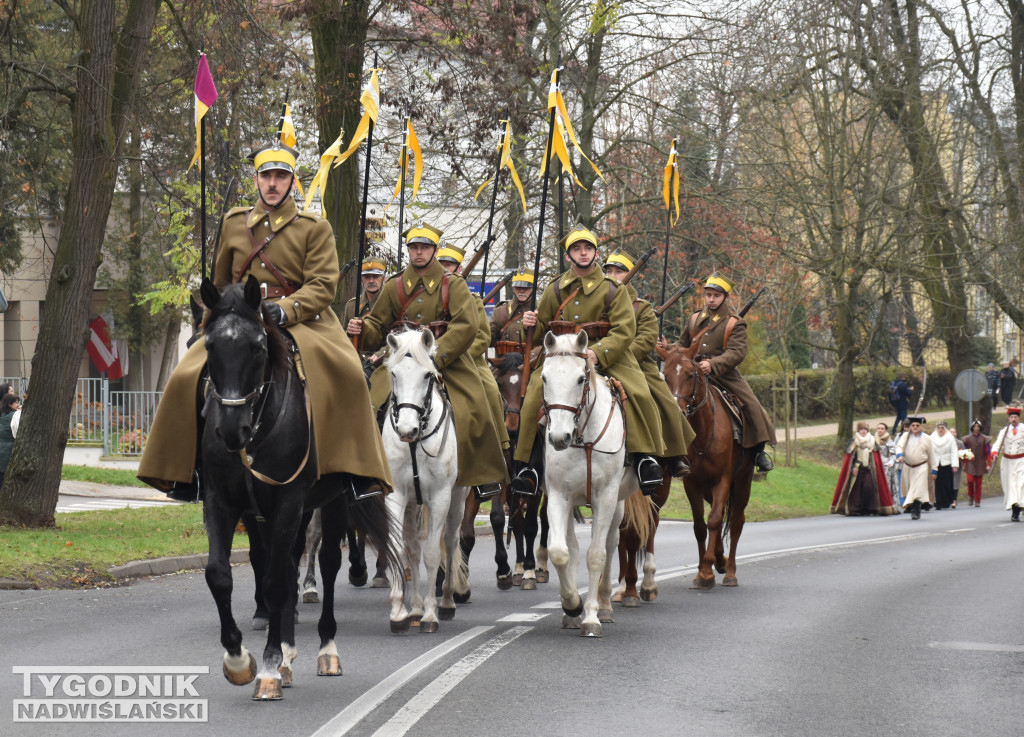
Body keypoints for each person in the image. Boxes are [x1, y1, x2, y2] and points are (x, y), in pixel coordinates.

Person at [139, 142, 392, 502]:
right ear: (256, 179)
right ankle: (187, 471)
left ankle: (355, 472)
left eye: (281, 176)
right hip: (240, 318)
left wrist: (284, 309)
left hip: (301, 320)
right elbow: (221, 282)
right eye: (266, 175)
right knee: (184, 375)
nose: (273, 183)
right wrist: (211, 322)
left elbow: (323, 285)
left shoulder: (314, 227)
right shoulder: (234, 223)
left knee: (350, 373)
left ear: (292, 182)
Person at [347, 222, 508, 496]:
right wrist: (363, 330)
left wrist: (434, 356)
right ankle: (365, 474)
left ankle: (480, 474)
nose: (418, 252)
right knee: (368, 404)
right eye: (414, 247)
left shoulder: (453, 284)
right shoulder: (395, 285)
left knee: (475, 407)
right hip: (401, 361)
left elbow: (466, 325)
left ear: (434, 250)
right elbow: (378, 325)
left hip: (446, 360)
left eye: (424, 247)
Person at [511, 224, 667, 495]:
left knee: (640, 393)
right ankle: (530, 466)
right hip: (563, 358)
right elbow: (541, 331)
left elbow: (624, 330)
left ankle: (645, 458)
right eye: (576, 249)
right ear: (568, 256)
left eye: (588, 248)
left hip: (607, 357)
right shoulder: (555, 288)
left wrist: (598, 353)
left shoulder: (613, 289)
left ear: (596, 253)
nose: (583, 253)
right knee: (533, 394)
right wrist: (530, 324)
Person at [602, 250, 693, 478]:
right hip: (597, 362)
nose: (613, 275)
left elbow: (646, 339)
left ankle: (672, 455)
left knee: (665, 402)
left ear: (631, 274)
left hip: (636, 365)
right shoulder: (595, 303)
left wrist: (617, 355)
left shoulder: (641, 307)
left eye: (619, 271)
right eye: (609, 271)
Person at [434, 240, 511, 498]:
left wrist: (457, 352)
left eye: (450, 265)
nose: (445, 269)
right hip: (427, 359)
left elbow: (482, 337)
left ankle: (493, 453)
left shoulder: (472, 298)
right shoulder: (427, 296)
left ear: (458, 268)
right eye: (441, 264)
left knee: (488, 393)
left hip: (466, 361)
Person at [679, 273, 775, 472]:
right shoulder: (694, 319)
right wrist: (667, 348)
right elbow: (682, 346)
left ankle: (758, 451)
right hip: (694, 374)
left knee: (752, 406)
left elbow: (736, 352)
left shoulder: (734, 323)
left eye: (716, 295)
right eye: (708, 295)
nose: (711, 299)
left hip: (723, 375)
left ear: (725, 297)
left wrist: (713, 364)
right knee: (672, 398)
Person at [345, 258, 390, 413]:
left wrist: (381, 354)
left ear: (383, 278)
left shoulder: (391, 303)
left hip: (382, 363)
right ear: (362, 280)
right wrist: (349, 332)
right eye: (367, 277)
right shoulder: (352, 305)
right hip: (356, 362)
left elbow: (397, 337)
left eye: (376, 276)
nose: (371, 281)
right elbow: (343, 338)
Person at [832, 421, 898, 515]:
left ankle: (870, 508)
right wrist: (853, 468)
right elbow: (851, 458)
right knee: (856, 489)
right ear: (858, 430)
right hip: (857, 469)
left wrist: (873, 466)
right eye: (861, 429)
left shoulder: (872, 441)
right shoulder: (854, 442)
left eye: (865, 429)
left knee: (869, 487)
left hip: (870, 469)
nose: (863, 431)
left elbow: (876, 458)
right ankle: (855, 509)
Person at [989, 405, 1024, 521]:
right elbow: (998, 443)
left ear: (1019, 418)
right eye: (1011, 417)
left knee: (1020, 484)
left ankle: (1020, 506)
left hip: (1021, 461)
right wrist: (995, 453)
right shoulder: (1004, 431)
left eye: (1015, 417)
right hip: (1008, 462)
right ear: (1009, 419)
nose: (1013, 419)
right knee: (1011, 486)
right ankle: (1015, 510)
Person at [896, 416, 933, 519]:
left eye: (917, 425)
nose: (915, 427)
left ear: (921, 426)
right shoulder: (906, 436)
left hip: (921, 466)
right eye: (913, 425)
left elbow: (932, 454)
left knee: (918, 488)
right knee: (910, 488)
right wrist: (900, 455)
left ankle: (916, 509)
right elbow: (899, 446)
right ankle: (912, 506)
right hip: (908, 466)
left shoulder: (926, 438)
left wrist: (934, 469)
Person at [490, 270, 535, 352]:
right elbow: (488, 340)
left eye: (526, 287)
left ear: (533, 288)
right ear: (513, 288)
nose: (522, 291)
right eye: (518, 287)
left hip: (534, 359)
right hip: (506, 358)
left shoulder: (542, 310)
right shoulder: (500, 311)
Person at [960, 419, 990, 507]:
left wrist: (989, 464)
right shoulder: (967, 439)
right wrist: (963, 462)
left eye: (978, 427)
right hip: (970, 463)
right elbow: (964, 451)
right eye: (975, 426)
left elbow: (988, 452)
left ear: (980, 428)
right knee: (970, 481)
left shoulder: (985, 439)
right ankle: (970, 496)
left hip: (980, 463)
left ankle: (977, 500)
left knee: (978, 483)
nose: (976, 428)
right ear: (972, 428)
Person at [930, 421, 959, 510]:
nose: (940, 430)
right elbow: (930, 451)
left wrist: (955, 465)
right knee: (937, 484)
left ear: (945, 429)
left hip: (947, 463)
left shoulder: (950, 438)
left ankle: (946, 501)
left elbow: (954, 451)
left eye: (942, 428)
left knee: (946, 483)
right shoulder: (932, 437)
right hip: (936, 463)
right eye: (939, 428)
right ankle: (938, 502)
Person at [875, 422, 900, 507]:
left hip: (886, 466)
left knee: (886, 485)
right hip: (875, 464)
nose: (880, 430)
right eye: (878, 428)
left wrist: (891, 461)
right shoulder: (873, 440)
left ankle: (887, 504)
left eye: (882, 428)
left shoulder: (889, 441)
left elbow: (893, 454)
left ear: (886, 430)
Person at [0, 393, 21, 486]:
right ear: (9, 403)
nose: (17, 405)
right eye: (16, 403)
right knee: (6, 477)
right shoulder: (15, 415)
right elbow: (17, 432)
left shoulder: (2, 414)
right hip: (8, 449)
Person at [950, 427, 965, 507]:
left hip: (957, 465)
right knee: (949, 482)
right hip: (947, 465)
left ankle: (954, 500)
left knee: (955, 483)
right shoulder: (946, 442)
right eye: (950, 432)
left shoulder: (960, 443)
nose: (952, 433)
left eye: (953, 432)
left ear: (956, 434)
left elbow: (964, 454)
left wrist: (963, 463)